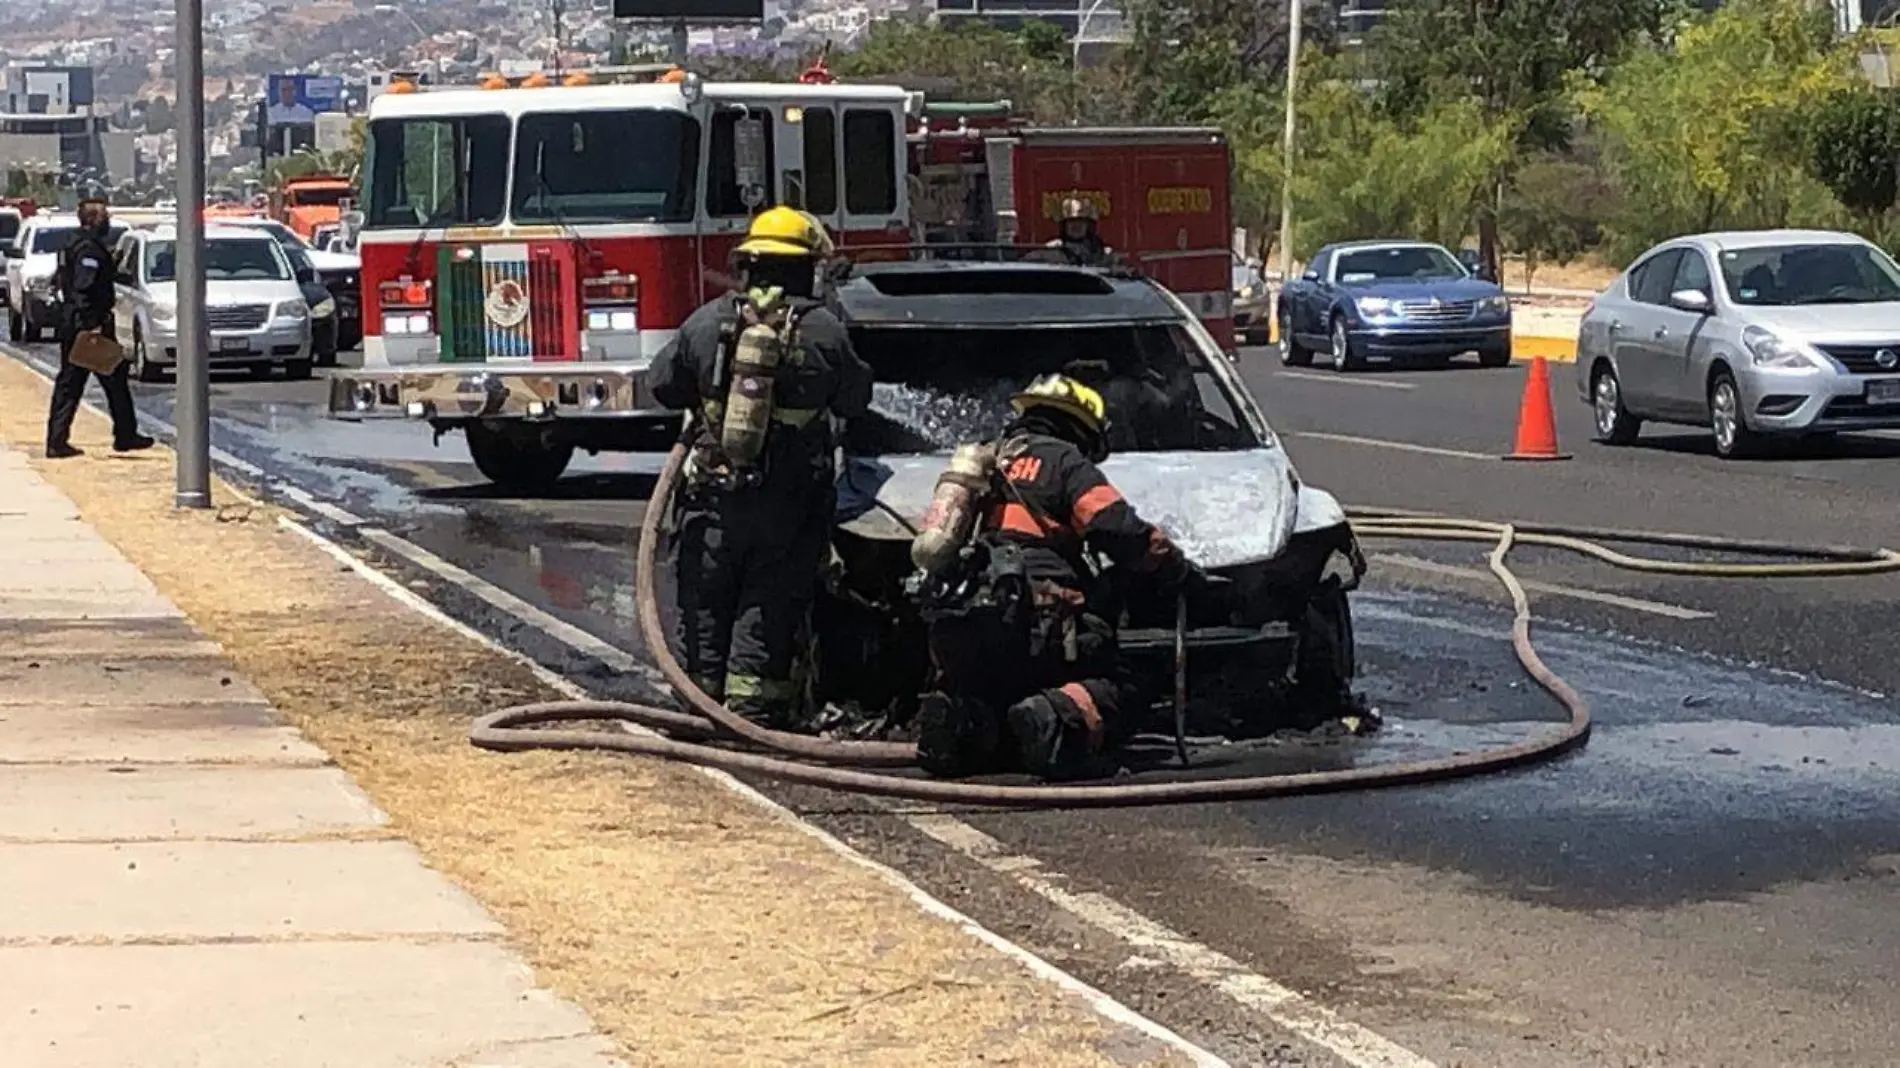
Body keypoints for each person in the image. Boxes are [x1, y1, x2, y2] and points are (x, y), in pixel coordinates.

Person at [914, 373, 1205, 781]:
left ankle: (961, 722)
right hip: (1039, 620)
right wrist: (1175, 567)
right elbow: (1116, 527)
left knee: (991, 688)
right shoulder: (1064, 460)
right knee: (1122, 685)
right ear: (1081, 427)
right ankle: (1055, 716)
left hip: (972, 621)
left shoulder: (989, 461)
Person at [646, 206, 872, 727]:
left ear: (748, 263)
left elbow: (662, 385)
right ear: (806, 267)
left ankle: (696, 707)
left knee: (704, 604)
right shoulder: (823, 331)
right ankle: (753, 713)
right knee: (766, 607)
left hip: (711, 499)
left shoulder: (705, 322)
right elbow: (856, 399)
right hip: (788, 504)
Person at [45, 198, 151, 459]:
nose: (108, 220)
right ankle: (63, 441)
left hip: (81, 323)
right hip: (88, 326)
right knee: (78, 382)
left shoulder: (79, 244)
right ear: (93, 220)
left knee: (102, 380)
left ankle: (122, 435)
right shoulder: (88, 250)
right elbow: (84, 287)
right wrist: (91, 326)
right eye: (105, 216)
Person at [1044, 198, 1114, 266]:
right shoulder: (1051, 253)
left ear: (1089, 226)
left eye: (1081, 221)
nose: (1076, 225)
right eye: (1071, 221)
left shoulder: (1104, 256)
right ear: (1064, 226)